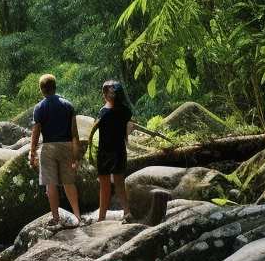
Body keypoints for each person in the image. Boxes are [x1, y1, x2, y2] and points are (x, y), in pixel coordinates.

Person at [85, 79, 167, 222]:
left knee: (104, 186)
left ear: (108, 94)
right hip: (118, 151)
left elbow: (99, 132)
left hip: (104, 153)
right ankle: (126, 213)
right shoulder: (125, 111)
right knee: (119, 184)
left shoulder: (103, 112)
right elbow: (126, 131)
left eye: (105, 92)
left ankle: (102, 217)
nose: (104, 95)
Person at [28, 74, 81, 224]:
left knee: (50, 184)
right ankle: (77, 216)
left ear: (41, 89)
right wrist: (76, 156)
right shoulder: (68, 105)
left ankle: (56, 218)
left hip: (48, 147)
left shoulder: (39, 107)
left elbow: (36, 131)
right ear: (55, 86)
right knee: (69, 182)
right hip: (66, 146)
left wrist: (32, 152)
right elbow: (74, 133)